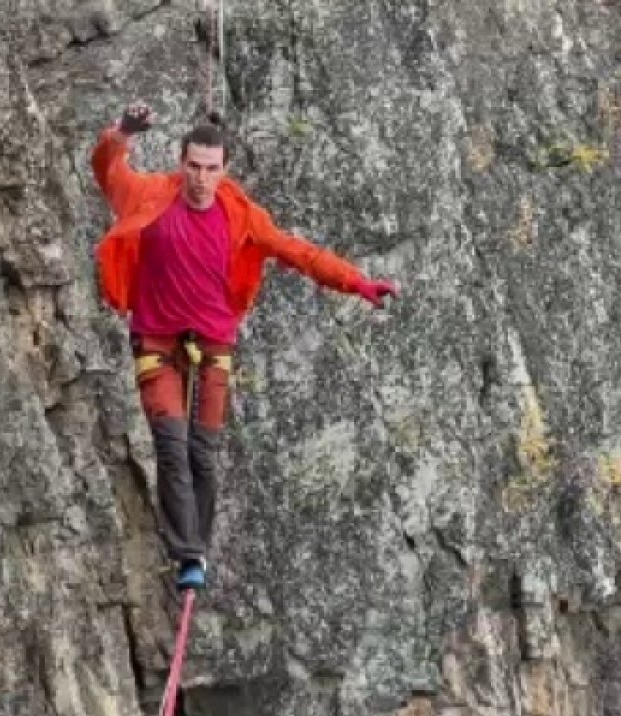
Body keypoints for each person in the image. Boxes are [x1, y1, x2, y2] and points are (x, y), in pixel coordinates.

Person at [90, 103, 398, 591]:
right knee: (171, 446)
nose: (201, 178)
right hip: (157, 338)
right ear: (180, 162)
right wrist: (122, 132)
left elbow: (300, 253)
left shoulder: (242, 215)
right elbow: (108, 170)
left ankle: (200, 547)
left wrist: (358, 283)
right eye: (193, 166)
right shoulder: (150, 196)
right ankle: (188, 554)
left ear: (224, 169)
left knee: (203, 452)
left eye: (212, 169)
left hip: (213, 342)